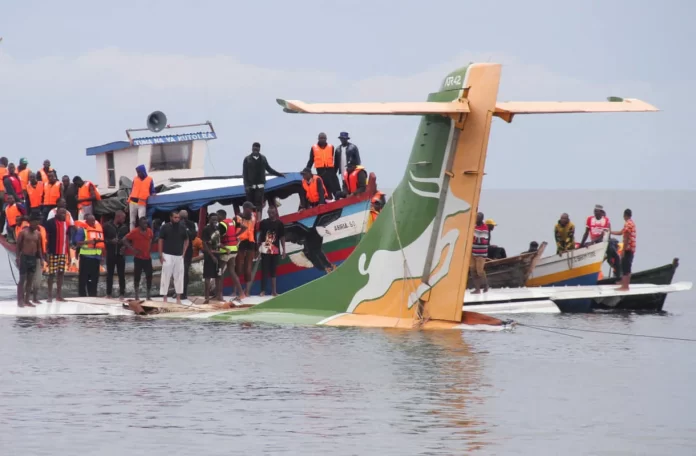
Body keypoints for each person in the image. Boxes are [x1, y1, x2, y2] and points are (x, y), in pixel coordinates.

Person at [242, 142, 284, 215]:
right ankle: (251, 218)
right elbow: (245, 173)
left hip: (260, 185)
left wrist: (279, 174)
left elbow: (269, 169)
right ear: (252, 148)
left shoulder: (263, 159)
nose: (255, 149)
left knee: (259, 204)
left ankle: (258, 219)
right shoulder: (247, 159)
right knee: (250, 204)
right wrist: (246, 186)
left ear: (259, 149)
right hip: (250, 186)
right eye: (254, 148)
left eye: (257, 148)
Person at [158, 211, 189, 304]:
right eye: (175, 217)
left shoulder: (182, 227)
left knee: (179, 277)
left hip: (179, 256)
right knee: (165, 276)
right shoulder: (165, 227)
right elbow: (160, 240)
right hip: (167, 255)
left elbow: (186, 239)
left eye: (178, 217)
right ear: (171, 217)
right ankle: (165, 298)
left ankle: (178, 298)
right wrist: (160, 254)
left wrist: (184, 252)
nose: (177, 219)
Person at [217, 209, 247, 301]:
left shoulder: (222, 224)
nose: (216, 218)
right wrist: (236, 235)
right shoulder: (232, 221)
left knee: (220, 272)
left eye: (217, 216)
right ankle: (241, 293)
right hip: (234, 250)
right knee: (232, 271)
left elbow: (218, 238)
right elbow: (244, 227)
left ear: (221, 216)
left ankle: (220, 295)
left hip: (226, 251)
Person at [122, 216, 154, 300]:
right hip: (138, 258)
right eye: (144, 223)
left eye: (146, 223)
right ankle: (136, 295)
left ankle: (148, 295)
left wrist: (149, 248)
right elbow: (124, 239)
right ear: (139, 224)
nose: (146, 225)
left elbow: (151, 239)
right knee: (137, 276)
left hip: (147, 258)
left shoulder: (149, 231)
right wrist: (132, 249)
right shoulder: (135, 231)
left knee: (149, 276)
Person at [16, 214, 44, 307]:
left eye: (37, 222)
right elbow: (18, 246)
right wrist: (17, 258)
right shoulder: (23, 232)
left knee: (30, 280)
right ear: (30, 222)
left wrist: (41, 258)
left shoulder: (38, 234)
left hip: (33, 258)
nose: (36, 224)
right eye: (34, 222)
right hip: (24, 257)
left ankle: (27, 300)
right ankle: (20, 300)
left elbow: (39, 248)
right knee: (22, 279)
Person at [43, 208, 71, 302]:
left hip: (63, 252)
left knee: (61, 273)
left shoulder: (66, 223)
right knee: (51, 274)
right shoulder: (50, 223)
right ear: (57, 213)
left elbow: (67, 238)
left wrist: (69, 255)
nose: (63, 214)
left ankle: (59, 295)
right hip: (53, 251)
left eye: (64, 213)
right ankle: (49, 295)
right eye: (61, 212)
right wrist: (45, 252)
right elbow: (46, 237)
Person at [73, 214, 105, 297]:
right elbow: (77, 243)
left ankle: (93, 295)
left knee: (94, 279)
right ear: (86, 221)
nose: (93, 222)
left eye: (94, 220)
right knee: (83, 278)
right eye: (91, 221)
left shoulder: (98, 230)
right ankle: (82, 295)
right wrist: (88, 242)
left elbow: (100, 244)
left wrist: (101, 256)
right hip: (86, 257)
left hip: (96, 258)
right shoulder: (82, 230)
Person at [258, 205, 286, 296]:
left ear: (276, 213)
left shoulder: (279, 223)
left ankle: (274, 291)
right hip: (265, 248)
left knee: (273, 270)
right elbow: (260, 235)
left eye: (273, 212)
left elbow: (282, 237)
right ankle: (263, 291)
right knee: (264, 270)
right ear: (267, 213)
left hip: (275, 249)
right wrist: (257, 248)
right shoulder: (263, 223)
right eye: (269, 212)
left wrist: (284, 250)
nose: (271, 214)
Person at [307, 132, 340, 199]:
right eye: (321, 138)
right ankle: (328, 202)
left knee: (336, 189)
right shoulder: (314, 148)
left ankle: (339, 200)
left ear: (326, 139)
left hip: (331, 171)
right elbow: (311, 160)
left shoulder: (331, 147)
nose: (322, 139)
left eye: (324, 138)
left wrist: (335, 171)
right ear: (318, 139)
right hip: (321, 172)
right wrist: (307, 170)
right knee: (325, 191)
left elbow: (335, 160)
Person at [104, 210, 129, 299]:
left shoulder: (125, 228)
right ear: (118, 217)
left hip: (120, 254)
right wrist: (110, 241)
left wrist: (124, 247)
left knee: (121, 275)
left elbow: (129, 240)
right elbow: (103, 239)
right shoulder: (107, 226)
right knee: (109, 274)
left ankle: (122, 294)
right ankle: (108, 294)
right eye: (123, 218)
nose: (124, 219)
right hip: (110, 253)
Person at [611, 208, 636, 291]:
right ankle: (623, 282)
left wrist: (623, 251)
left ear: (624, 215)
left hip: (628, 248)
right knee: (625, 265)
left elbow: (626, 238)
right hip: (631, 248)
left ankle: (625, 286)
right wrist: (610, 232)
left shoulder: (628, 224)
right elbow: (621, 232)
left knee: (626, 267)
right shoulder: (630, 223)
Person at [202, 213, 224, 303]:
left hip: (218, 254)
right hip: (209, 256)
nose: (215, 221)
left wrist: (225, 248)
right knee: (208, 276)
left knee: (218, 275)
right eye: (213, 219)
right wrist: (211, 255)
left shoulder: (217, 228)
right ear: (209, 219)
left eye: (216, 219)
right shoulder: (206, 229)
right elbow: (205, 243)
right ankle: (206, 297)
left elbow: (218, 242)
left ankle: (219, 295)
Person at [235, 202, 257, 294]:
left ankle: (247, 291)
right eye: (250, 209)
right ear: (245, 209)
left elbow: (254, 229)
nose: (252, 210)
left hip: (250, 242)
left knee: (248, 267)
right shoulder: (237, 218)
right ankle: (236, 291)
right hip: (240, 242)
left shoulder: (253, 217)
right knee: (238, 267)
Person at [128, 165, 155, 230]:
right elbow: (132, 190)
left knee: (142, 220)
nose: (138, 173)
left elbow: (152, 190)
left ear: (143, 171)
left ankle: (142, 233)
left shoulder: (149, 179)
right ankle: (132, 234)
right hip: (132, 202)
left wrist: (153, 194)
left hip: (142, 203)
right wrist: (128, 201)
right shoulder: (135, 179)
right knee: (132, 221)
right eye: (137, 172)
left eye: (139, 172)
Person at [179, 209, 197, 299]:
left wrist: (186, 228)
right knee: (177, 272)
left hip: (187, 251)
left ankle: (184, 293)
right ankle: (178, 291)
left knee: (185, 271)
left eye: (184, 218)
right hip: (177, 250)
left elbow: (193, 236)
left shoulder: (191, 224)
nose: (183, 220)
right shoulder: (176, 223)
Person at [470, 212, 489, 294]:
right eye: (476, 217)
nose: (476, 218)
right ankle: (477, 289)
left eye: (478, 217)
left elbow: (482, 240)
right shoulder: (473, 226)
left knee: (480, 271)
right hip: (473, 252)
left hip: (481, 253)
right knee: (473, 270)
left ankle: (485, 285)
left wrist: (473, 237)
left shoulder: (484, 227)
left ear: (481, 219)